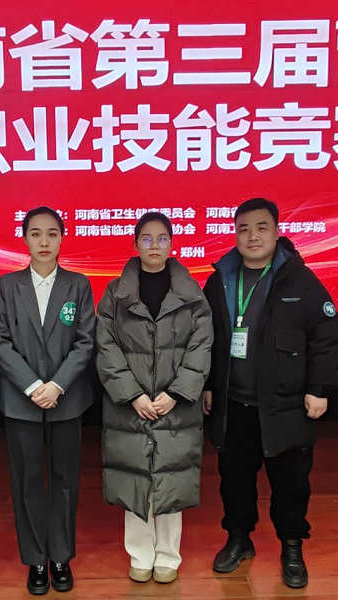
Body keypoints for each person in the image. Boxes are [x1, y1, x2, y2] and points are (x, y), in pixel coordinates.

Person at [202, 197, 338, 588]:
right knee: (234, 479)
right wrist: (209, 385)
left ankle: (292, 547)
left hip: (286, 404)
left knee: (291, 482)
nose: (252, 236)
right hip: (233, 402)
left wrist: (319, 389)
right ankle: (239, 539)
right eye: (244, 229)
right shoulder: (220, 278)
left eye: (261, 227)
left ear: (277, 232)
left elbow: (326, 337)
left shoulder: (300, 279)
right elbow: (207, 340)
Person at [96, 212, 213, 584]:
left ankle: (168, 555)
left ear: (172, 244)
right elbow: (106, 346)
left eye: (162, 239)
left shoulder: (192, 294)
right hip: (131, 405)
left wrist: (176, 393)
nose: (154, 246)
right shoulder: (115, 294)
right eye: (146, 239)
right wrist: (132, 395)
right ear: (135, 244)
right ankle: (140, 553)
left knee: (170, 477)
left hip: (175, 404)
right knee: (135, 479)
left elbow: (201, 346)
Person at [0, 206, 96, 595]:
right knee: (27, 481)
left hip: (67, 400)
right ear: (25, 239)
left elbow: (86, 341)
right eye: (36, 234)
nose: (44, 241)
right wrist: (34, 385)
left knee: (66, 481)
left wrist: (57, 385)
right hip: (21, 401)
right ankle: (36, 559)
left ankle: (61, 557)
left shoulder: (78, 284)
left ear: (62, 238)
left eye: (52, 233)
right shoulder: (8, 284)